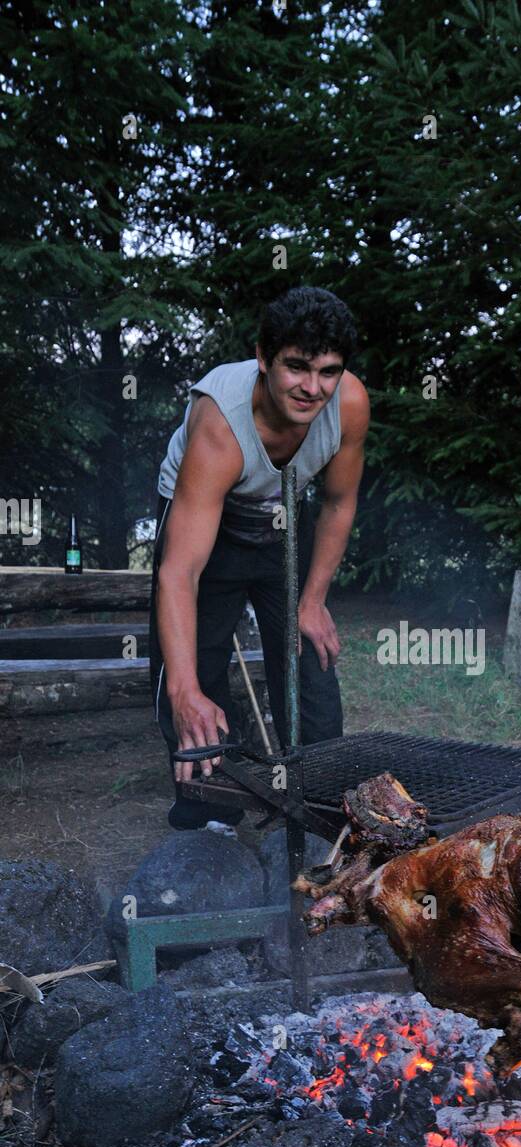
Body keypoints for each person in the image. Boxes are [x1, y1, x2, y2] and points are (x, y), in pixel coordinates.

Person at [148, 285, 368, 830]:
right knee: (197, 666)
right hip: (205, 518)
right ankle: (207, 812)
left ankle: (320, 805)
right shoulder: (219, 427)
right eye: (296, 368)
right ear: (264, 358)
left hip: (279, 514)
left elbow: (339, 502)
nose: (312, 388)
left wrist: (312, 600)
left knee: (307, 654)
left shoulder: (350, 405)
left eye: (328, 371)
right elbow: (180, 571)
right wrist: (184, 691)